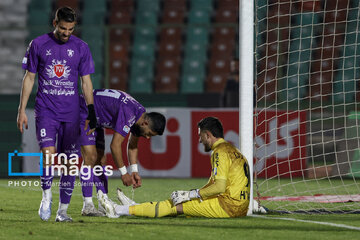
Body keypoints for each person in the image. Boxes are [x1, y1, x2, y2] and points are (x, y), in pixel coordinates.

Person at [17, 7, 97, 222]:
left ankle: (62, 211)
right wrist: (21, 110)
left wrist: (91, 111)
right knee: (48, 155)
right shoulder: (38, 44)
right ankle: (46, 196)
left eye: (70, 29)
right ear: (55, 23)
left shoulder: (82, 47)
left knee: (71, 162)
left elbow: (86, 82)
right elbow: (30, 78)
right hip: (46, 111)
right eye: (63, 28)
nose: (66, 33)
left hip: (71, 114)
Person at [98, 117, 250, 218]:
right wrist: (190, 193)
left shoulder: (219, 153)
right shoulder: (234, 150)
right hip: (239, 206)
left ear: (208, 135)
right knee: (181, 203)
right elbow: (217, 185)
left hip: (228, 206)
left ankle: (118, 210)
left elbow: (219, 187)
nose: (199, 140)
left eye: (200, 136)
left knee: (172, 205)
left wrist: (191, 195)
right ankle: (136, 207)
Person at [78, 89, 166, 216]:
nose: (147, 138)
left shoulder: (139, 116)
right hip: (84, 110)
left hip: (98, 118)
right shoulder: (130, 113)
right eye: (149, 134)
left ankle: (103, 202)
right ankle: (87, 205)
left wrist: (134, 171)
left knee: (101, 160)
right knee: (91, 157)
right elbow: (115, 145)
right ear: (145, 123)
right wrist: (124, 173)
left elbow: (132, 146)